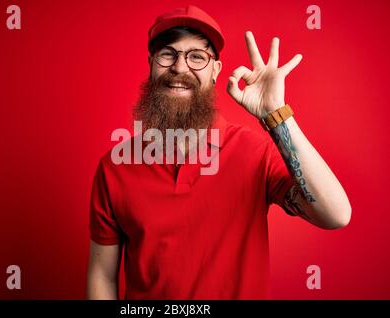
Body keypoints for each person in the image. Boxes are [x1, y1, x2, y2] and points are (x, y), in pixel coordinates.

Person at [87, 5, 351, 300]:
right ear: (151, 63)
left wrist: (277, 114)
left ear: (216, 70)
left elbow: (336, 214)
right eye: (167, 53)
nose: (180, 67)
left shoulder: (256, 153)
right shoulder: (114, 167)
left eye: (197, 57)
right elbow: (101, 275)